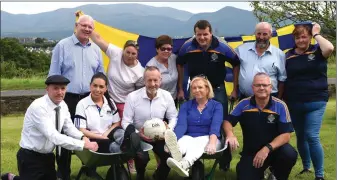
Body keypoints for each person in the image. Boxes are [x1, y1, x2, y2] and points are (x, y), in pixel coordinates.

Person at [176, 20, 240, 171]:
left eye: (205, 34)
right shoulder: (187, 46)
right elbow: (179, 63)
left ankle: (224, 160)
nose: (202, 37)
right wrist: (180, 88)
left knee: (222, 124)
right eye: (199, 34)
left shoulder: (222, 47)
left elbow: (236, 63)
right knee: (194, 123)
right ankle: (194, 160)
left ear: (211, 33)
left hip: (217, 90)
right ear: (195, 34)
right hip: (197, 90)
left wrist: (235, 88)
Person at [9, 75, 99, 180]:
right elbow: (54, 136)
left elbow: (68, 127)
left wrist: (81, 136)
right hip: (30, 157)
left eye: (63, 88)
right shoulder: (38, 107)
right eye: (56, 88)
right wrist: (83, 144)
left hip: (48, 156)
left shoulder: (63, 105)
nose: (60, 92)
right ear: (47, 89)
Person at [48, 14, 104, 180]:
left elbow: (100, 75)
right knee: (64, 134)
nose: (87, 29)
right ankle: (63, 172)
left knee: (90, 133)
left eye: (90, 27)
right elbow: (54, 74)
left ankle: (89, 166)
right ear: (76, 26)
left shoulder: (96, 50)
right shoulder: (62, 46)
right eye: (84, 25)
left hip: (89, 100)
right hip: (66, 98)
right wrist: (53, 100)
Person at [223, 72, 298, 180]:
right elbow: (227, 121)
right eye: (258, 85)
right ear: (252, 87)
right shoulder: (243, 104)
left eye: (265, 85)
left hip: (273, 150)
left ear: (271, 87)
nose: (261, 88)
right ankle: (259, 171)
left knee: (289, 154)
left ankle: (276, 174)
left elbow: (286, 135)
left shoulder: (280, 105)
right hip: (251, 153)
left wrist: (266, 149)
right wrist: (230, 134)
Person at [283, 23, 334, 180]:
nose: (301, 40)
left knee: (312, 136)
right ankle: (306, 167)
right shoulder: (288, 55)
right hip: (294, 101)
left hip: (316, 101)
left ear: (310, 37)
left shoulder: (318, 50)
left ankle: (319, 175)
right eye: (297, 37)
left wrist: (317, 34)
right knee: (300, 136)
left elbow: (330, 48)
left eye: (304, 36)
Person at [90, 30, 145, 172]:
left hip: (125, 104)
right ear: (123, 51)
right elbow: (98, 38)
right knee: (100, 128)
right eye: (128, 52)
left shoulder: (140, 72)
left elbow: (138, 93)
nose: (130, 56)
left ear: (137, 54)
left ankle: (130, 160)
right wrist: (88, 27)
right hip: (106, 99)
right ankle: (94, 161)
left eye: (134, 53)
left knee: (125, 133)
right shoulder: (115, 53)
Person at [122, 66, 178, 180]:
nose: (153, 84)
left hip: (161, 136)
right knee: (142, 157)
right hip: (140, 136)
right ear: (144, 81)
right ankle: (140, 174)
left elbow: (173, 117)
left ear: (160, 80)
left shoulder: (166, 96)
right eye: (149, 80)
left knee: (169, 155)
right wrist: (138, 134)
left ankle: (158, 176)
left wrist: (168, 129)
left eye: (155, 80)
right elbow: (125, 122)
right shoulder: (132, 97)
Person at [164, 76, 223, 177]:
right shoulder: (186, 106)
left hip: (208, 137)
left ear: (207, 89)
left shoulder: (217, 106)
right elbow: (181, 126)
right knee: (182, 143)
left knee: (198, 145)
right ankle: (179, 157)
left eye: (200, 87)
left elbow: (215, 126)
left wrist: (212, 143)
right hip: (189, 136)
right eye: (194, 88)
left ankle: (184, 164)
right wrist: (174, 140)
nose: (197, 90)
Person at [235, 22, 287, 100]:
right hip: (245, 98)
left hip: (270, 99)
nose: (261, 37)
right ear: (255, 34)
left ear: (271, 35)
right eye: (258, 34)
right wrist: (234, 90)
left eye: (265, 34)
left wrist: (278, 100)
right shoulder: (241, 50)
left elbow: (282, 79)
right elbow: (235, 68)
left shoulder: (279, 54)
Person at [146, 35, 178, 100]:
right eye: (163, 49)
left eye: (169, 49)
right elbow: (149, 87)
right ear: (157, 49)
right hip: (158, 100)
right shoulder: (150, 66)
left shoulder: (174, 58)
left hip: (173, 99)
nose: (166, 51)